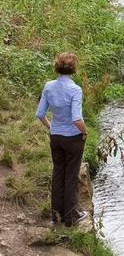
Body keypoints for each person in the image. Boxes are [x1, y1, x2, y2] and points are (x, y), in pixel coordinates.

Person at [36, 53, 89, 227]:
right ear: (74, 69)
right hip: (72, 138)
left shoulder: (49, 86)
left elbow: (40, 114)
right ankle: (71, 217)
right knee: (71, 176)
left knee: (58, 173)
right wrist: (85, 132)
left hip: (56, 137)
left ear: (57, 67)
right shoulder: (75, 90)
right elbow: (76, 119)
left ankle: (56, 216)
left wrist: (51, 127)